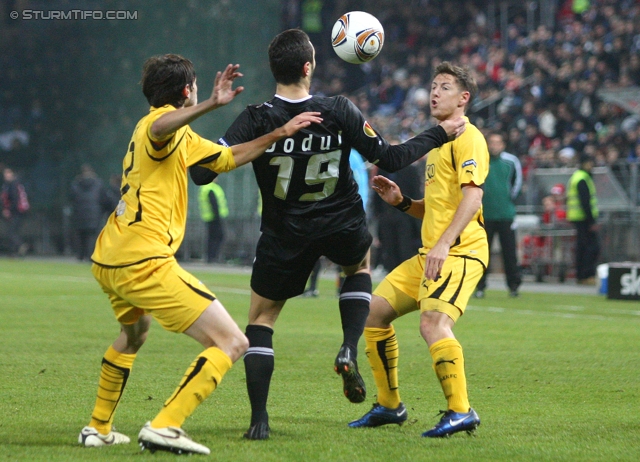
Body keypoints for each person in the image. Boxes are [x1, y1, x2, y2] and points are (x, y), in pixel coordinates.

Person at [190, 29, 466, 440]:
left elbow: (200, 172)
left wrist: (223, 115)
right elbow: (389, 157)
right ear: (308, 67)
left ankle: (259, 421)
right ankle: (348, 347)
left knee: (262, 319)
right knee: (359, 266)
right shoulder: (338, 109)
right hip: (342, 222)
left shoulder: (257, 117)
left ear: (273, 69)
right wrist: (439, 133)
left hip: (284, 233)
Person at [77, 53, 322, 455]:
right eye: (197, 89)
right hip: (142, 260)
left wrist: (278, 134)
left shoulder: (181, 137)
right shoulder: (155, 127)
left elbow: (228, 158)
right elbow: (161, 125)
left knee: (135, 334)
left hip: (112, 257)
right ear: (187, 91)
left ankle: (98, 427)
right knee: (232, 342)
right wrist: (212, 105)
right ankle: (165, 425)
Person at [349, 62, 488, 438]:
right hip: (431, 253)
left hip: (460, 252)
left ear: (464, 98)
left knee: (433, 324)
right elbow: (437, 206)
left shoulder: (468, 138)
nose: (434, 92)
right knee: (372, 314)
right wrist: (402, 202)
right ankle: (390, 406)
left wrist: (444, 243)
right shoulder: (437, 144)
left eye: (444, 87)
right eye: (432, 86)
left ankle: (461, 411)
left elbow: (472, 197)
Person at [474, 131, 522, 298]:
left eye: (497, 142)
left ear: (503, 144)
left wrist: (507, 202)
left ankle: (514, 286)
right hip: (485, 215)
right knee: (481, 253)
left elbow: (517, 185)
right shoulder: (481, 160)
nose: (494, 145)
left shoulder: (511, 161)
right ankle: (479, 286)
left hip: (505, 214)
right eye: (491, 142)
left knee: (509, 252)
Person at [566, 154, 600, 285]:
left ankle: (581, 275)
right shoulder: (582, 178)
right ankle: (587, 274)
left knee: (582, 247)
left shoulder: (577, 177)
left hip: (578, 217)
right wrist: (591, 220)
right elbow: (585, 201)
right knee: (591, 247)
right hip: (584, 218)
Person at [69, 164, 111, 261]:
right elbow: (104, 199)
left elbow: (71, 198)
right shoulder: (98, 183)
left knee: (80, 235)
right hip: (94, 213)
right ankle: (90, 255)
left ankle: (80, 256)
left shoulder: (76, 183)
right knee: (92, 236)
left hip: (79, 213)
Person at [198, 177, 229, 263]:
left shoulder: (205, 187)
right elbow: (214, 204)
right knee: (218, 237)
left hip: (209, 218)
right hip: (215, 218)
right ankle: (213, 257)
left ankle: (211, 257)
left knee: (212, 237)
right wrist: (218, 217)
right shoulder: (211, 188)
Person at [1, 167, 30, 256]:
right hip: (17, 211)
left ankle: (20, 245)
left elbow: (14, 199)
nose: (7, 175)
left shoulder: (13, 185)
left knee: (12, 232)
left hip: (16, 212)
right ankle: (14, 252)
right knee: (12, 231)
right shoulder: (9, 184)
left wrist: (8, 210)